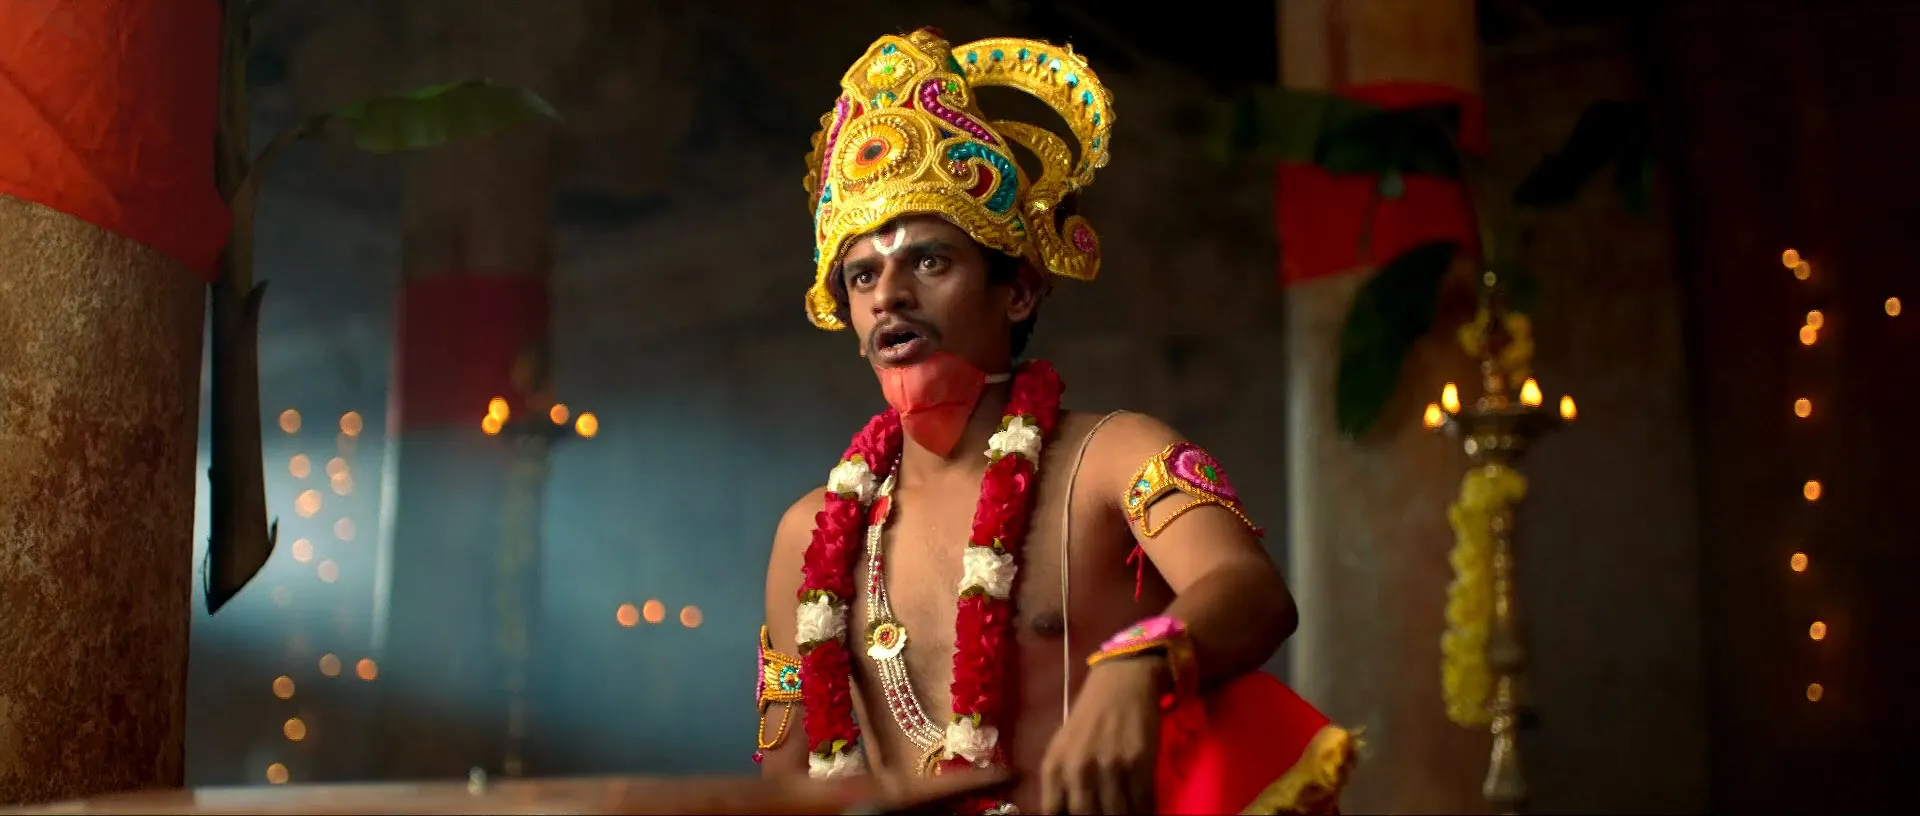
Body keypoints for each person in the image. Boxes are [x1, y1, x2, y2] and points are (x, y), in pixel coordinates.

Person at [754, 27, 1356, 815]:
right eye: (863, 275)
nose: (890, 294)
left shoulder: (1114, 457)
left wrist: (1136, 665)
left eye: (929, 261)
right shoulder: (808, 535)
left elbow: (1251, 590)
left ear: (1019, 292)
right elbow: (789, 781)